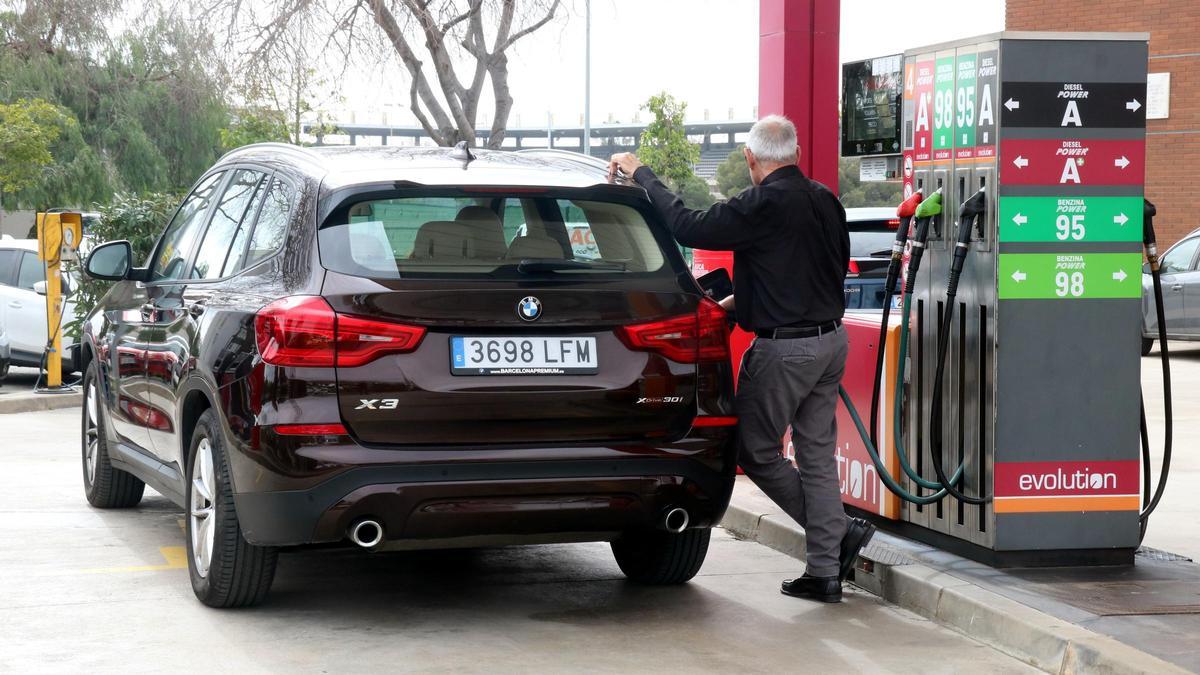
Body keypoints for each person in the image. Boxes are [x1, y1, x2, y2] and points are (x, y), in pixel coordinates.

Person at [609, 115, 875, 603]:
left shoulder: (761, 203)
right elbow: (809, 272)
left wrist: (642, 174)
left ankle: (837, 535)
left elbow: (689, 225)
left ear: (751, 159)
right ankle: (824, 570)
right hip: (831, 341)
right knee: (816, 456)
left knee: (756, 451)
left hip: (784, 351)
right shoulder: (826, 201)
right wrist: (740, 304)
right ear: (794, 153)